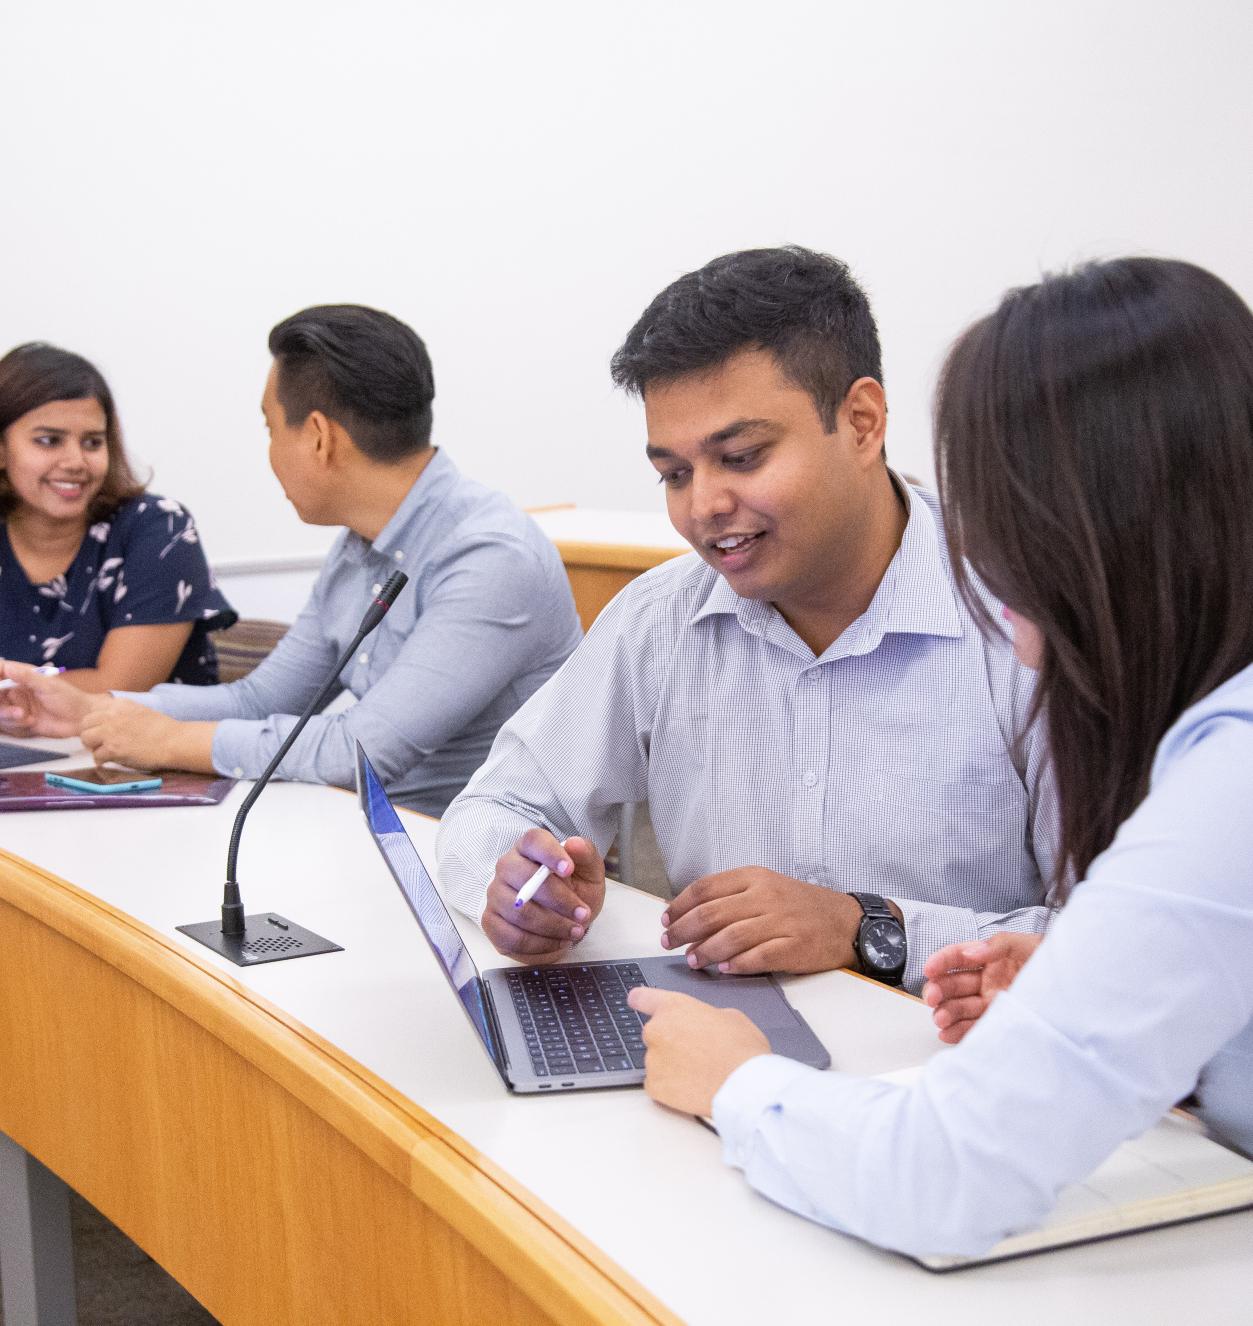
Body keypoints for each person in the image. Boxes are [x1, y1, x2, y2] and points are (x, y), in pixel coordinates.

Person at [628, 256, 1253, 1258]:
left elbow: (941, 1176)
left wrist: (735, 1080)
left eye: (995, 516)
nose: (982, 570)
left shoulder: (1235, 775)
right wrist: (1075, 976)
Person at [437, 246, 1057, 994]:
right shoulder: (661, 619)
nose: (701, 507)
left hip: (953, 1069)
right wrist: (517, 882)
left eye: (741, 456)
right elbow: (493, 805)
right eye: (673, 474)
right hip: (719, 1055)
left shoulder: (1024, 618)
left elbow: (1123, 938)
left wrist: (863, 927)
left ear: (861, 422)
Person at [0, 306, 583, 815]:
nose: (270, 453)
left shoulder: (490, 558)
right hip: (368, 833)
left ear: (321, 438)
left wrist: (171, 743)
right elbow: (262, 700)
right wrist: (96, 709)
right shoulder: (361, 545)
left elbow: (358, 751)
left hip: (488, 871)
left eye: (270, 428)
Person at [0, 343, 236, 689]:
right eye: (49, 441)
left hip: (136, 742)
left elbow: (120, 687)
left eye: (93, 442)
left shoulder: (160, 527)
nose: (76, 461)